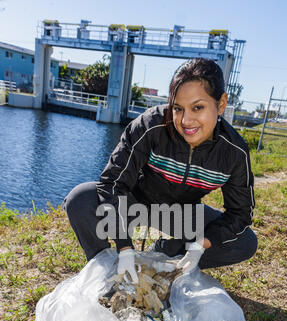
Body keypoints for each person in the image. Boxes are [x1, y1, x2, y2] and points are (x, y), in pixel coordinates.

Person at [63, 58, 257, 282]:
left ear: (221, 104)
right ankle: (108, 267)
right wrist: (125, 247)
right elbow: (112, 184)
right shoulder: (149, 125)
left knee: (245, 243)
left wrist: (200, 245)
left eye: (198, 107)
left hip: (183, 214)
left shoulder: (235, 152)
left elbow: (240, 214)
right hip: (135, 202)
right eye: (177, 108)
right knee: (81, 199)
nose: (185, 120)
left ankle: (168, 255)